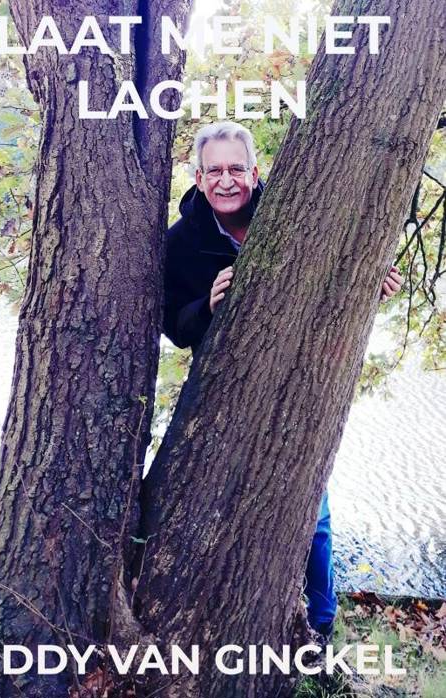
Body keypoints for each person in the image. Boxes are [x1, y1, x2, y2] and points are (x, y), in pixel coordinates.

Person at [163, 121, 402, 637]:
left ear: (255, 172)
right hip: (225, 396)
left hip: (300, 385)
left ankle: (319, 625)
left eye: (237, 169)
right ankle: (222, 621)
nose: (227, 181)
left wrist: (371, 282)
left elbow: (339, 273)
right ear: (199, 179)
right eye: (214, 172)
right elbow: (173, 327)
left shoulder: (295, 213)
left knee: (312, 511)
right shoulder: (180, 244)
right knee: (221, 508)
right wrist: (206, 307)